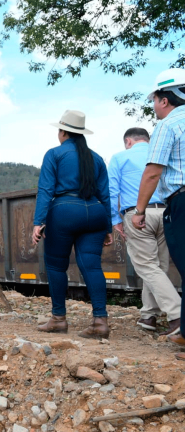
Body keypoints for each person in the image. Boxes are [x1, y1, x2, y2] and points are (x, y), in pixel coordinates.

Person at [32, 110, 114, 339]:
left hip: (64, 212)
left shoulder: (54, 154)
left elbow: (46, 190)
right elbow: (105, 195)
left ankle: (58, 319)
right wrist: (107, 227)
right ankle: (100, 322)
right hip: (95, 213)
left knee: (57, 266)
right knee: (92, 266)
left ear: (63, 132)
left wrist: (38, 222)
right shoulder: (96, 158)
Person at [129, 68, 185, 353]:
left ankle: (180, 324)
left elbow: (152, 172)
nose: (153, 106)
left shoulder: (168, 125)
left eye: (154, 100)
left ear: (165, 99)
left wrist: (138, 210)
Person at [108, 128, 181, 336]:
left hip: (138, 213)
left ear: (128, 141)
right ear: (147, 140)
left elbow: (112, 192)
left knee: (147, 267)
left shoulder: (120, 157)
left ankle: (177, 315)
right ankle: (149, 315)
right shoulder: (159, 156)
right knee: (159, 267)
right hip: (165, 212)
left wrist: (115, 220)